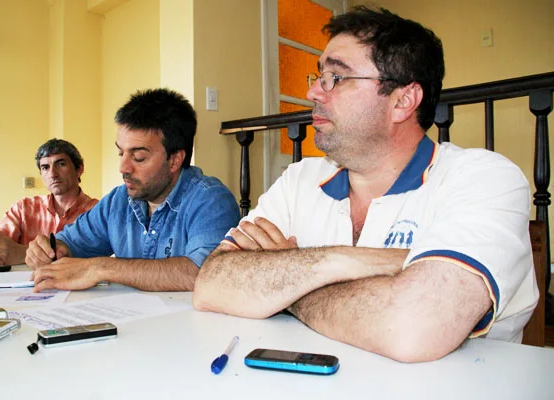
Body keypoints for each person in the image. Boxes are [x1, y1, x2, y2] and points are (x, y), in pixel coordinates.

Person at [193, 6, 538, 363]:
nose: (313, 91)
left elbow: (412, 328)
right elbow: (211, 284)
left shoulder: (484, 179)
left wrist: (285, 281)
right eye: (318, 74)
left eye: (336, 78)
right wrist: (347, 262)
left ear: (403, 101)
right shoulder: (299, 180)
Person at [25, 88, 240, 293]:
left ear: (174, 160)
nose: (123, 168)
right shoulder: (119, 199)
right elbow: (70, 243)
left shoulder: (211, 200)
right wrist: (50, 249)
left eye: (138, 157)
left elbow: (207, 273)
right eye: (121, 154)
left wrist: (101, 267)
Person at [0, 139, 98, 266]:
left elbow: (101, 261)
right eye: (45, 167)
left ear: (79, 169)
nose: (53, 174)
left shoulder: (97, 211)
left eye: (61, 164)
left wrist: (18, 253)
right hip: (25, 286)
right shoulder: (23, 209)